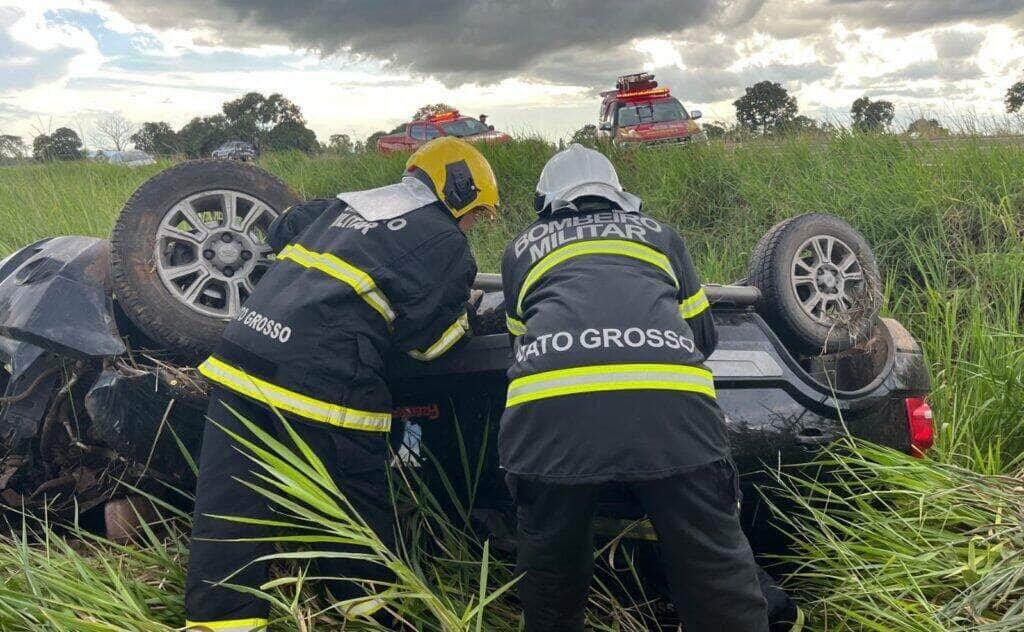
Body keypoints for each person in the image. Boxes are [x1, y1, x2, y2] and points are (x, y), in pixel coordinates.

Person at [184, 137, 499, 632]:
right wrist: (470, 319)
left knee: (230, 509)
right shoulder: (443, 239)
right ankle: (369, 614)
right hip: (319, 376)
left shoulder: (344, 206)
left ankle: (220, 622)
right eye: (475, 215)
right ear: (460, 191)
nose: (471, 226)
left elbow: (283, 229)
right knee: (355, 502)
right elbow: (430, 347)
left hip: (241, 359)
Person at [499, 144, 770, 631]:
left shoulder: (520, 249)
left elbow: (518, 344)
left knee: (550, 573)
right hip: (672, 414)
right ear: (619, 195)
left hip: (549, 420)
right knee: (715, 569)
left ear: (547, 202)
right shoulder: (660, 235)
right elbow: (702, 335)